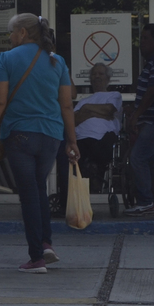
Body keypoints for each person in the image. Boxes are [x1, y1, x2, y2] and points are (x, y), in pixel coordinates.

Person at [0, 13, 79, 274]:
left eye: (11, 32)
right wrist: (72, 140)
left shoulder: (5, 59)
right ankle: (46, 244)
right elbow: (66, 104)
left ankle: (36, 258)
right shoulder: (57, 61)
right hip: (52, 135)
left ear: (22, 33)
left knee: (29, 193)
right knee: (38, 187)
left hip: (20, 135)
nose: (9, 37)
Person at [55, 63, 123, 210]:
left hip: (102, 140)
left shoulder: (114, 95)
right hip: (80, 140)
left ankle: (93, 176)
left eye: (101, 74)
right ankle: (68, 201)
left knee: (96, 152)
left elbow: (109, 110)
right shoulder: (83, 101)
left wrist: (87, 111)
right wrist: (94, 112)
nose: (97, 77)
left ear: (108, 79)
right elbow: (74, 120)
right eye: (94, 74)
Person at [126, 24, 154, 215]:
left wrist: (137, 115)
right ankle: (153, 201)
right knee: (150, 161)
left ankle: (146, 201)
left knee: (137, 158)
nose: (141, 43)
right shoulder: (150, 63)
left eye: (146, 38)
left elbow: (152, 91)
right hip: (148, 121)